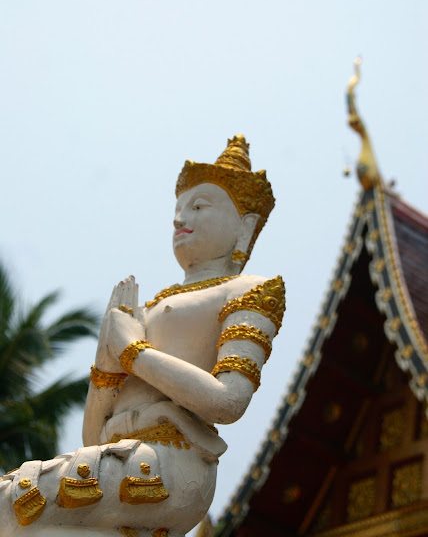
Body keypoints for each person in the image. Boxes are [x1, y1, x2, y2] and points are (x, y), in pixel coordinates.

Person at [0, 135, 285, 537]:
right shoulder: (145, 308)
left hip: (172, 460)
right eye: (178, 208)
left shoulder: (248, 289)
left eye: (199, 206)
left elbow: (228, 401)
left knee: (8, 505)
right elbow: (93, 438)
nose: (179, 218)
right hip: (116, 453)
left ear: (245, 225)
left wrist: (132, 350)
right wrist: (107, 359)